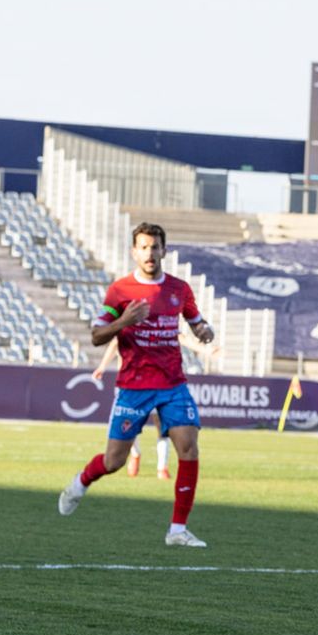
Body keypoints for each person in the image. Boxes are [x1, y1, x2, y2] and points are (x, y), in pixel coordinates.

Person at [58, 223, 213, 547]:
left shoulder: (179, 289)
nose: (150, 253)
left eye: (155, 247)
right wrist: (125, 320)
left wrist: (204, 332)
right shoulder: (120, 291)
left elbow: (197, 322)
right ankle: (80, 482)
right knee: (114, 461)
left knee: (188, 446)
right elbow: (97, 336)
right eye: (143, 247)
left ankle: (177, 530)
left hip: (172, 383)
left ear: (164, 251)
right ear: (134, 251)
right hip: (134, 386)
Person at [93, 341, 175, 480]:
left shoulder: (158, 329)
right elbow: (114, 344)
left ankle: (162, 467)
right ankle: (135, 453)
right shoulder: (129, 328)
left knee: (162, 427)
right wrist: (102, 366)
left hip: (156, 386)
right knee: (128, 426)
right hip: (129, 387)